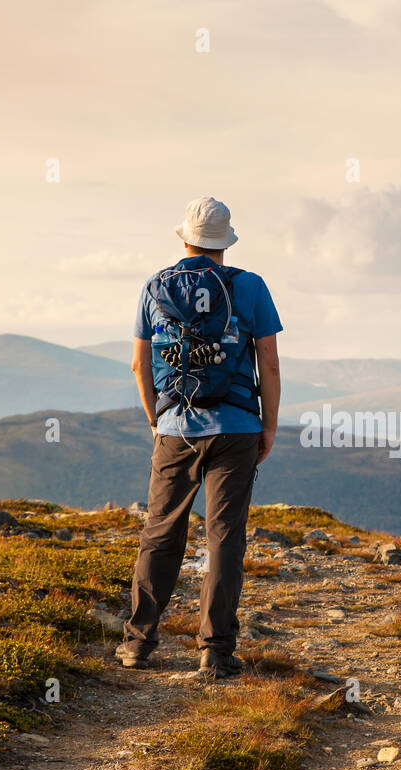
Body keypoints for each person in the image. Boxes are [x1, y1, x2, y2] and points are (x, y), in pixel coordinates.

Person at [116, 196, 282, 679]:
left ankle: (138, 643)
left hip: (175, 428)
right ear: (225, 243)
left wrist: (155, 418)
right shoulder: (250, 287)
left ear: (184, 238)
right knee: (225, 537)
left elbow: (139, 363)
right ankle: (215, 649)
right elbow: (267, 363)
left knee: (161, 532)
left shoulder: (155, 286)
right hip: (237, 428)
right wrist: (267, 426)